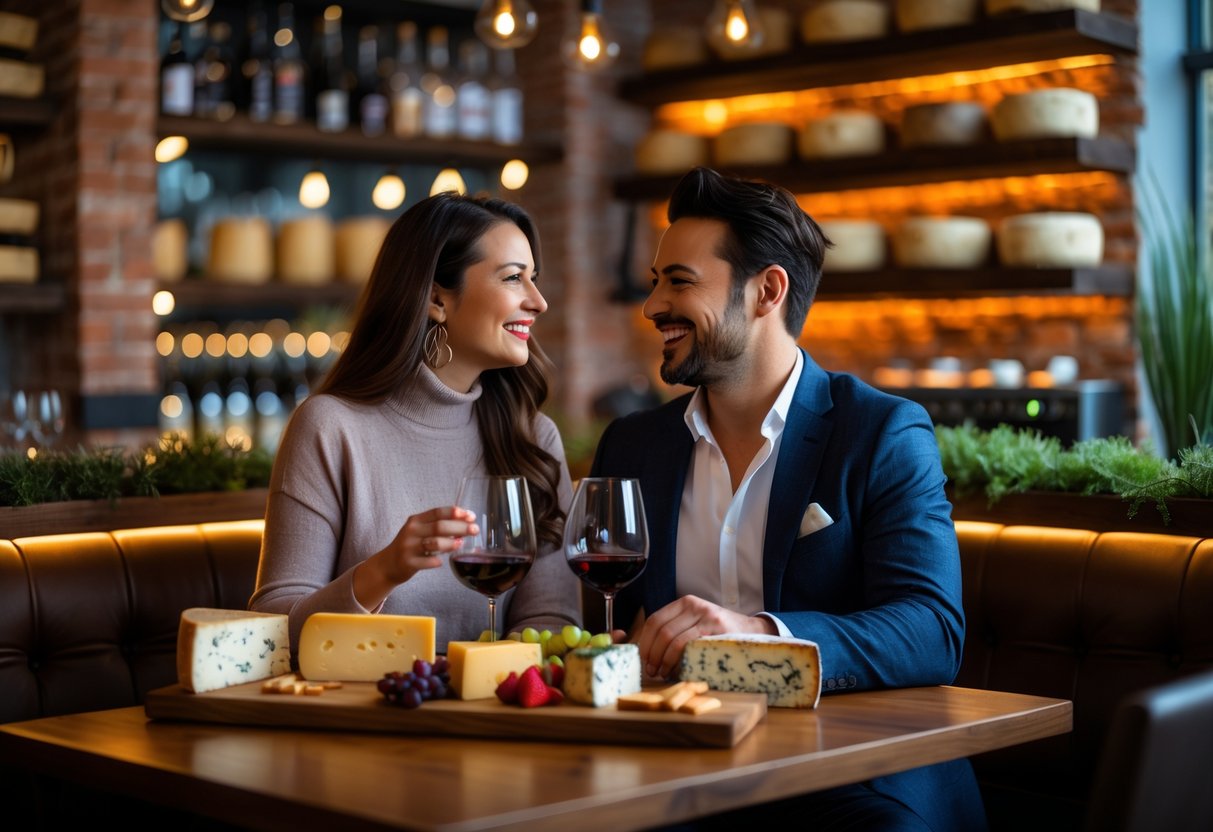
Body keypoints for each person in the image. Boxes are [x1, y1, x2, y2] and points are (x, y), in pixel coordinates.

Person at [590, 167, 987, 831]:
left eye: (678, 281)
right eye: (656, 279)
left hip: (846, 772)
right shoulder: (632, 444)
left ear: (766, 291)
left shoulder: (880, 431)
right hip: (677, 770)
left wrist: (758, 636)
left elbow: (930, 629)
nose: (653, 303)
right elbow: (604, 624)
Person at [250, 192, 580, 652]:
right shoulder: (330, 427)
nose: (539, 302)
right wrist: (381, 572)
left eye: (535, 279)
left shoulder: (533, 437)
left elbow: (551, 616)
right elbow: (271, 628)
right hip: (364, 715)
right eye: (513, 279)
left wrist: (480, 680)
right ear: (436, 299)